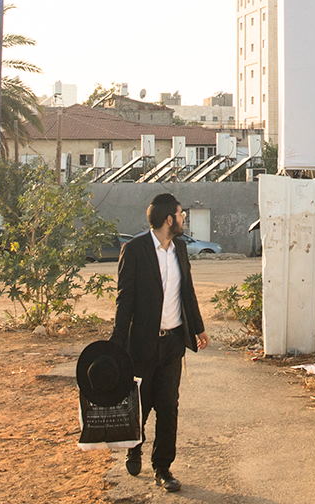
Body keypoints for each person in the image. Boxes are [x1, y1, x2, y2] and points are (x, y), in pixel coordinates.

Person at [110, 193, 208, 493]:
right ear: (168, 219)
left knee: (168, 407)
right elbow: (125, 299)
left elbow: (187, 291)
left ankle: (163, 467)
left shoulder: (180, 248)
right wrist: (117, 343)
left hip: (173, 342)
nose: (183, 219)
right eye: (180, 214)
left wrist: (198, 328)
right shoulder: (135, 250)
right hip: (142, 343)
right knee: (141, 404)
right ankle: (134, 447)